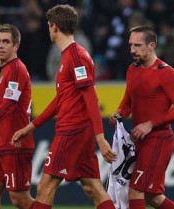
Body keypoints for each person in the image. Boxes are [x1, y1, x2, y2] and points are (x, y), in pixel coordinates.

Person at [12, 4, 117, 209]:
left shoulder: (76, 56)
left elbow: (91, 98)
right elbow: (60, 100)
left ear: (54, 27)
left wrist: (101, 138)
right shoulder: (69, 56)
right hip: (78, 130)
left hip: (72, 130)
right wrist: (31, 127)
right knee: (92, 187)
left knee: (45, 185)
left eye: (48, 26)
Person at [109, 26, 174, 209]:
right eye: (131, 45)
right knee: (153, 197)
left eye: (137, 45)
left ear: (151, 45)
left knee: (135, 191)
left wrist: (151, 124)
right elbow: (128, 102)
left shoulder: (166, 73)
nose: (132, 50)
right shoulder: (132, 69)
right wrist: (119, 114)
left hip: (158, 140)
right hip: (139, 139)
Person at [0, 24, 34, 209]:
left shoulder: (15, 69)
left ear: (16, 46)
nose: (0, 46)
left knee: (19, 199)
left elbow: (8, 105)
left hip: (15, 144)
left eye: (6, 42)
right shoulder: (5, 71)